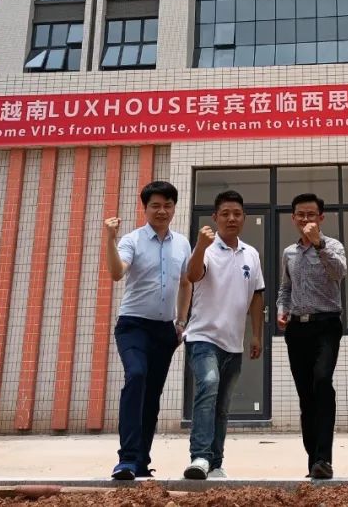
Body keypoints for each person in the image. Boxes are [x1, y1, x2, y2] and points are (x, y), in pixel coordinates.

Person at [104, 180, 192, 481]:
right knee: (137, 376)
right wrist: (110, 240)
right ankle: (126, 459)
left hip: (164, 330)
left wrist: (181, 322)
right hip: (133, 325)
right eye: (155, 205)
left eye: (167, 205)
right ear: (145, 208)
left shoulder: (182, 243)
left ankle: (141, 462)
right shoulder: (132, 239)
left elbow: (186, 283)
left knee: (152, 394)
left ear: (174, 208)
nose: (162, 211)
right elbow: (117, 273)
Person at [182, 189, 265, 480]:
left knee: (222, 406)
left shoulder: (251, 254)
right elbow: (192, 275)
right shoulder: (206, 249)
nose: (232, 218)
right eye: (225, 213)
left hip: (234, 343)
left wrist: (256, 335)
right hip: (203, 337)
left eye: (237, 214)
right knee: (208, 385)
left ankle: (215, 463)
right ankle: (200, 456)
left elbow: (257, 295)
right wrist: (200, 247)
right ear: (215, 217)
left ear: (244, 218)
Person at [276, 192, 347, 480]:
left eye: (311, 214)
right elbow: (285, 288)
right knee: (306, 395)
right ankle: (314, 461)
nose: (306, 219)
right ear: (293, 218)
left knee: (322, 381)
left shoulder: (333, 246)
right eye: (301, 214)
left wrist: (318, 243)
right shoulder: (289, 253)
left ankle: (324, 458)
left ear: (321, 218)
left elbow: (339, 273)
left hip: (326, 326)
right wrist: (282, 309)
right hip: (297, 329)